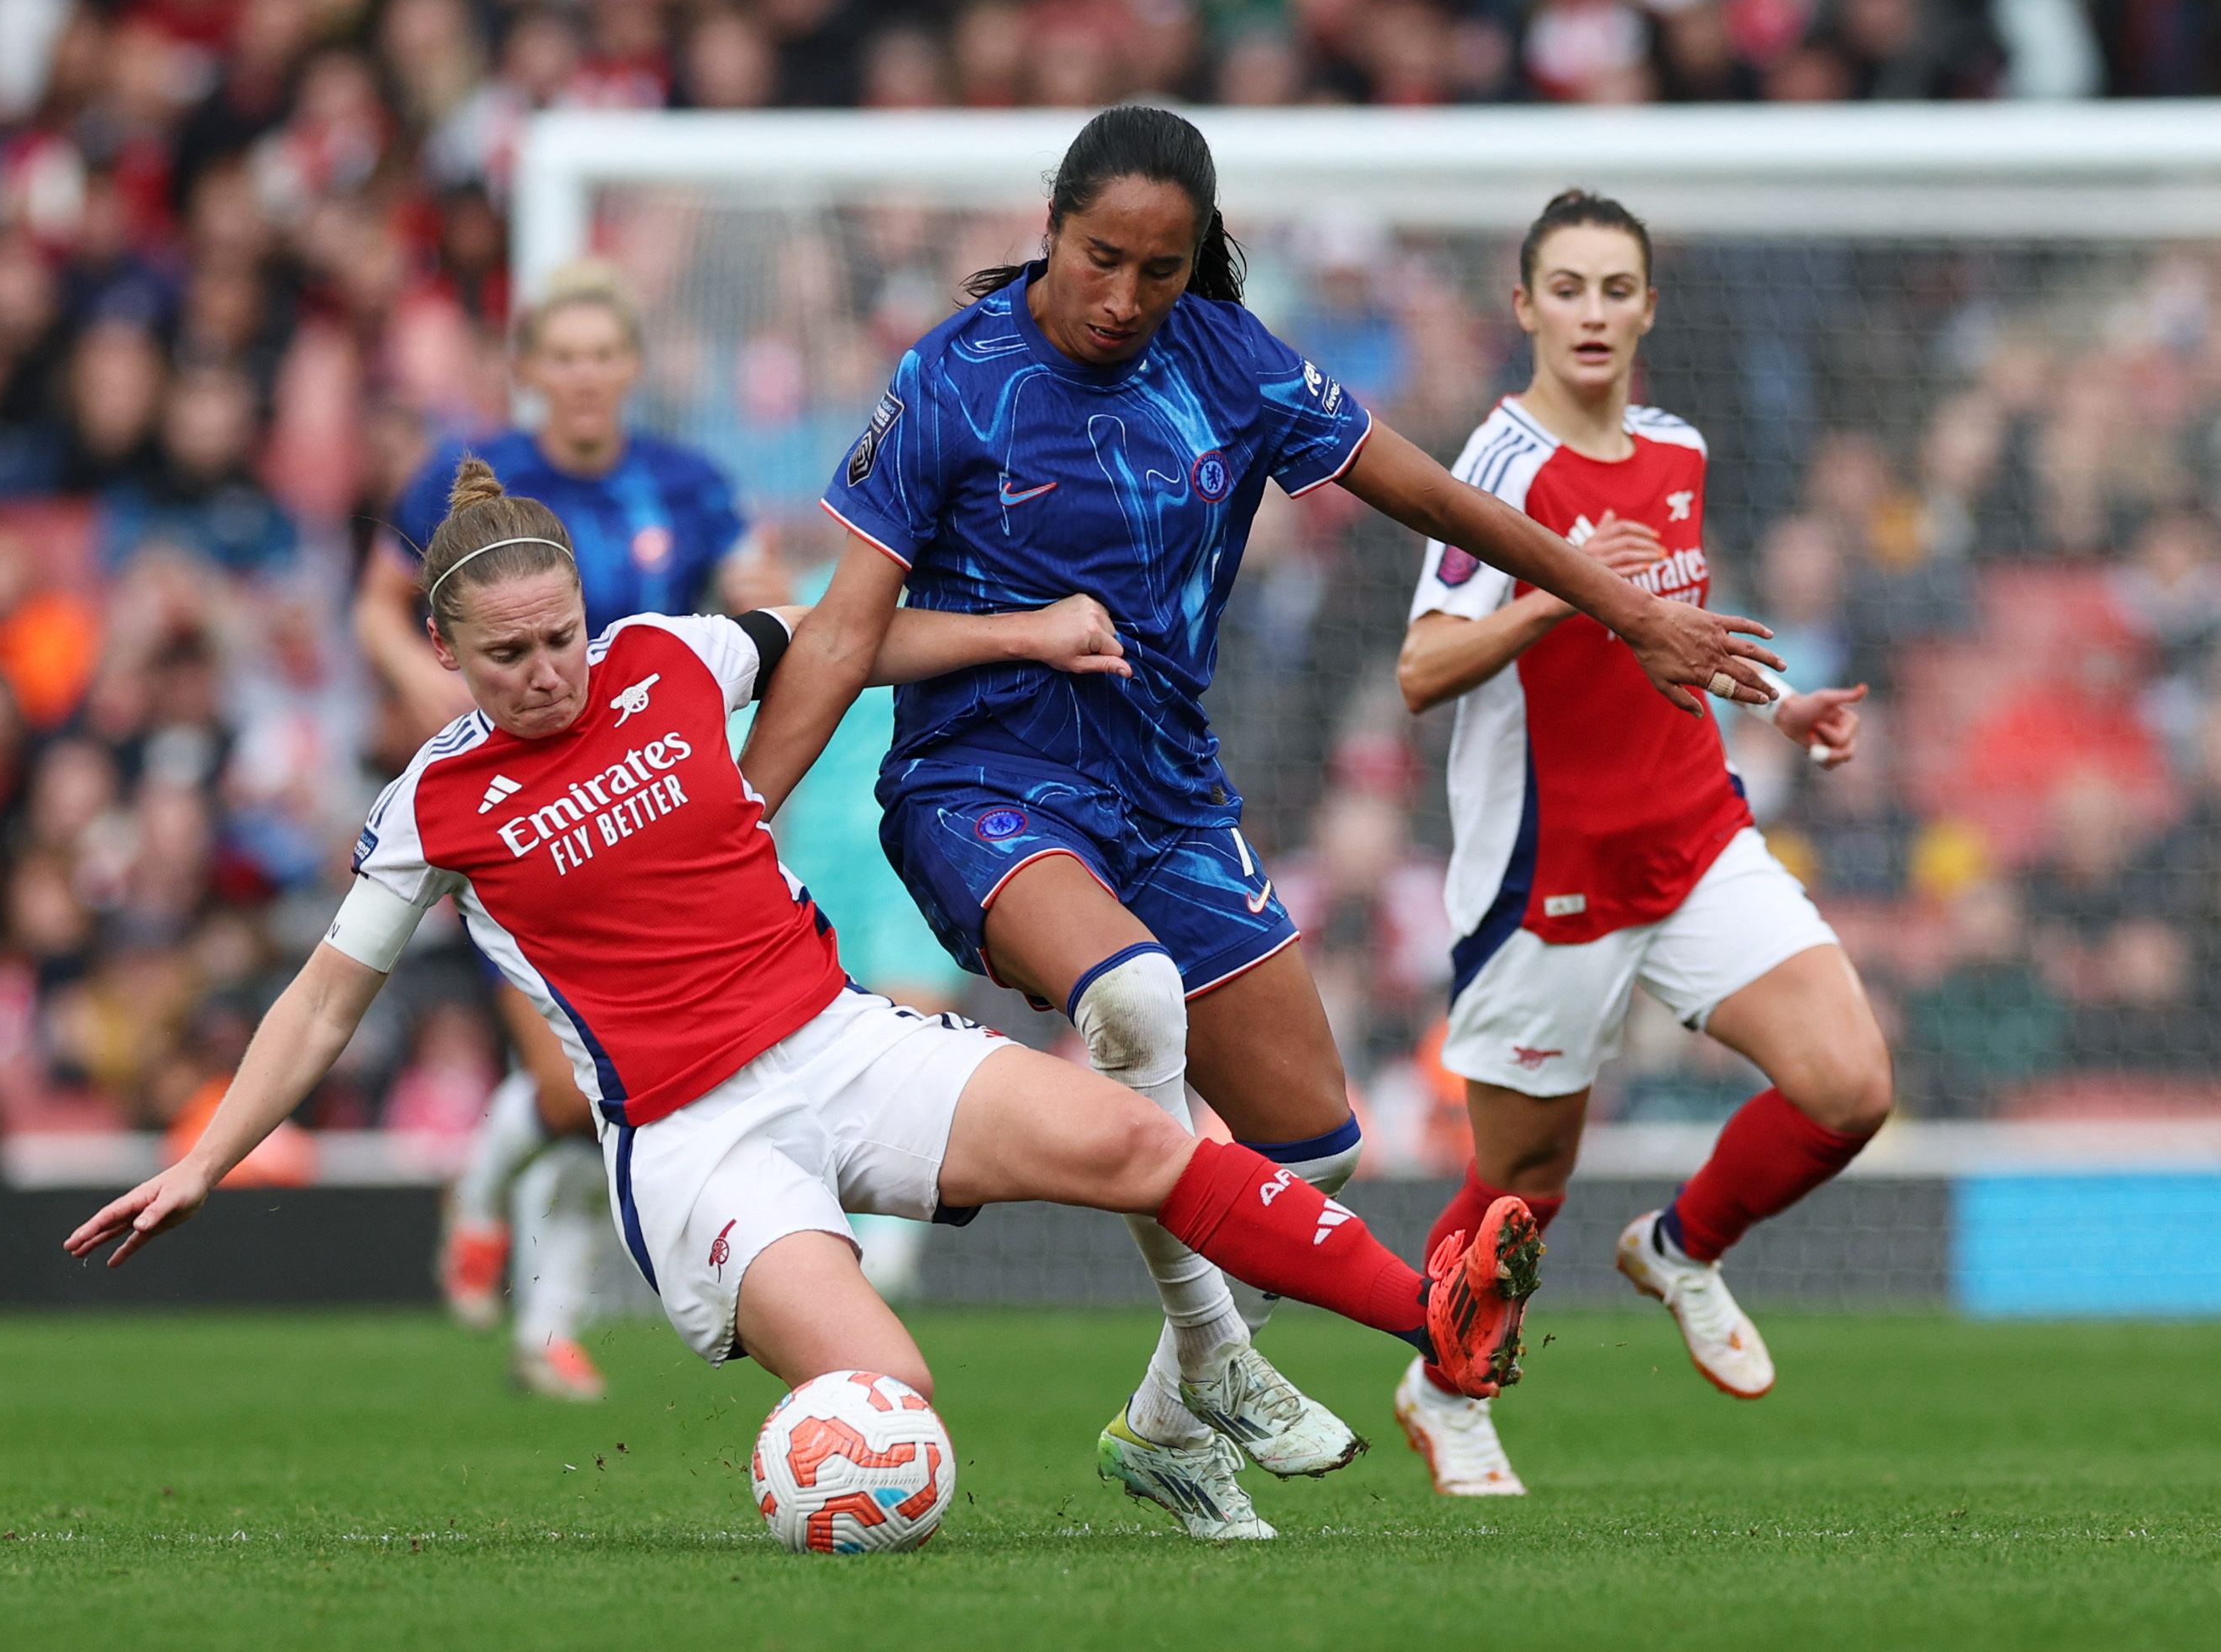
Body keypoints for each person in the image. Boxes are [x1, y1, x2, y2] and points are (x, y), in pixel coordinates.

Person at [64, 464, 1551, 1544]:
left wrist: (1021, 632)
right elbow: (323, 1003)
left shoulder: (667, 658)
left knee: (1136, 1145)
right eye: (506, 654)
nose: (545, 672)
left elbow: (846, 637)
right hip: (698, 1142)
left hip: (837, 1043)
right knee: (892, 1405)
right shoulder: (431, 808)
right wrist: (206, 1158)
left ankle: (1430, 1316)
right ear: (446, 656)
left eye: (560, 635)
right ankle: (835, 1484)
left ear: (590, 611)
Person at [738, 105, 1781, 1538]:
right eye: (1100, 257)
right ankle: (1224, 1360)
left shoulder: (1226, 360)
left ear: (1196, 266)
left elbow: (1427, 494)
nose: (1121, 299)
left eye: (1157, 271)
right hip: (979, 787)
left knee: (1314, 1146)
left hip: (1162, 789)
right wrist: (736, 825)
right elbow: (846, 631)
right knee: (1137, 1001)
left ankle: (1164, 1426)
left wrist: (1625, 607)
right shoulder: (951, 382)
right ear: (1051, 226)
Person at [1390, 190, 1889, 1496]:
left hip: (1695, 827)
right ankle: (1442, 1389)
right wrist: (1562, 581)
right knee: (1520, 1178)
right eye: (1566, 288)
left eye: (1616, 289)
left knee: (1847, 1086)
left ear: (1648, 307)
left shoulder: (1676, 448)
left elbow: (1666, 630)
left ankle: (1679, 1247)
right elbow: (1420, 669)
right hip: (1549, 869)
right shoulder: (1494, 471)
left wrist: (1780, 706)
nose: (1592, 313)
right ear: (1524, 308)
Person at [368, 259, 773, 1397]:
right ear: (530, 371)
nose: (586, 376)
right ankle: (508, 1237)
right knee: (570, 1084)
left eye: (606, 354)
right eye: (566, 355)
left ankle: (540, 1313)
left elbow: (756, 593)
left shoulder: (685, 482)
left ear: (631, 368)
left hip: (638, 816)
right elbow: (375, 604)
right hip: (509, 812)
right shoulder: (474, 487)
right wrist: (431, 684)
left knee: (601, 1085)